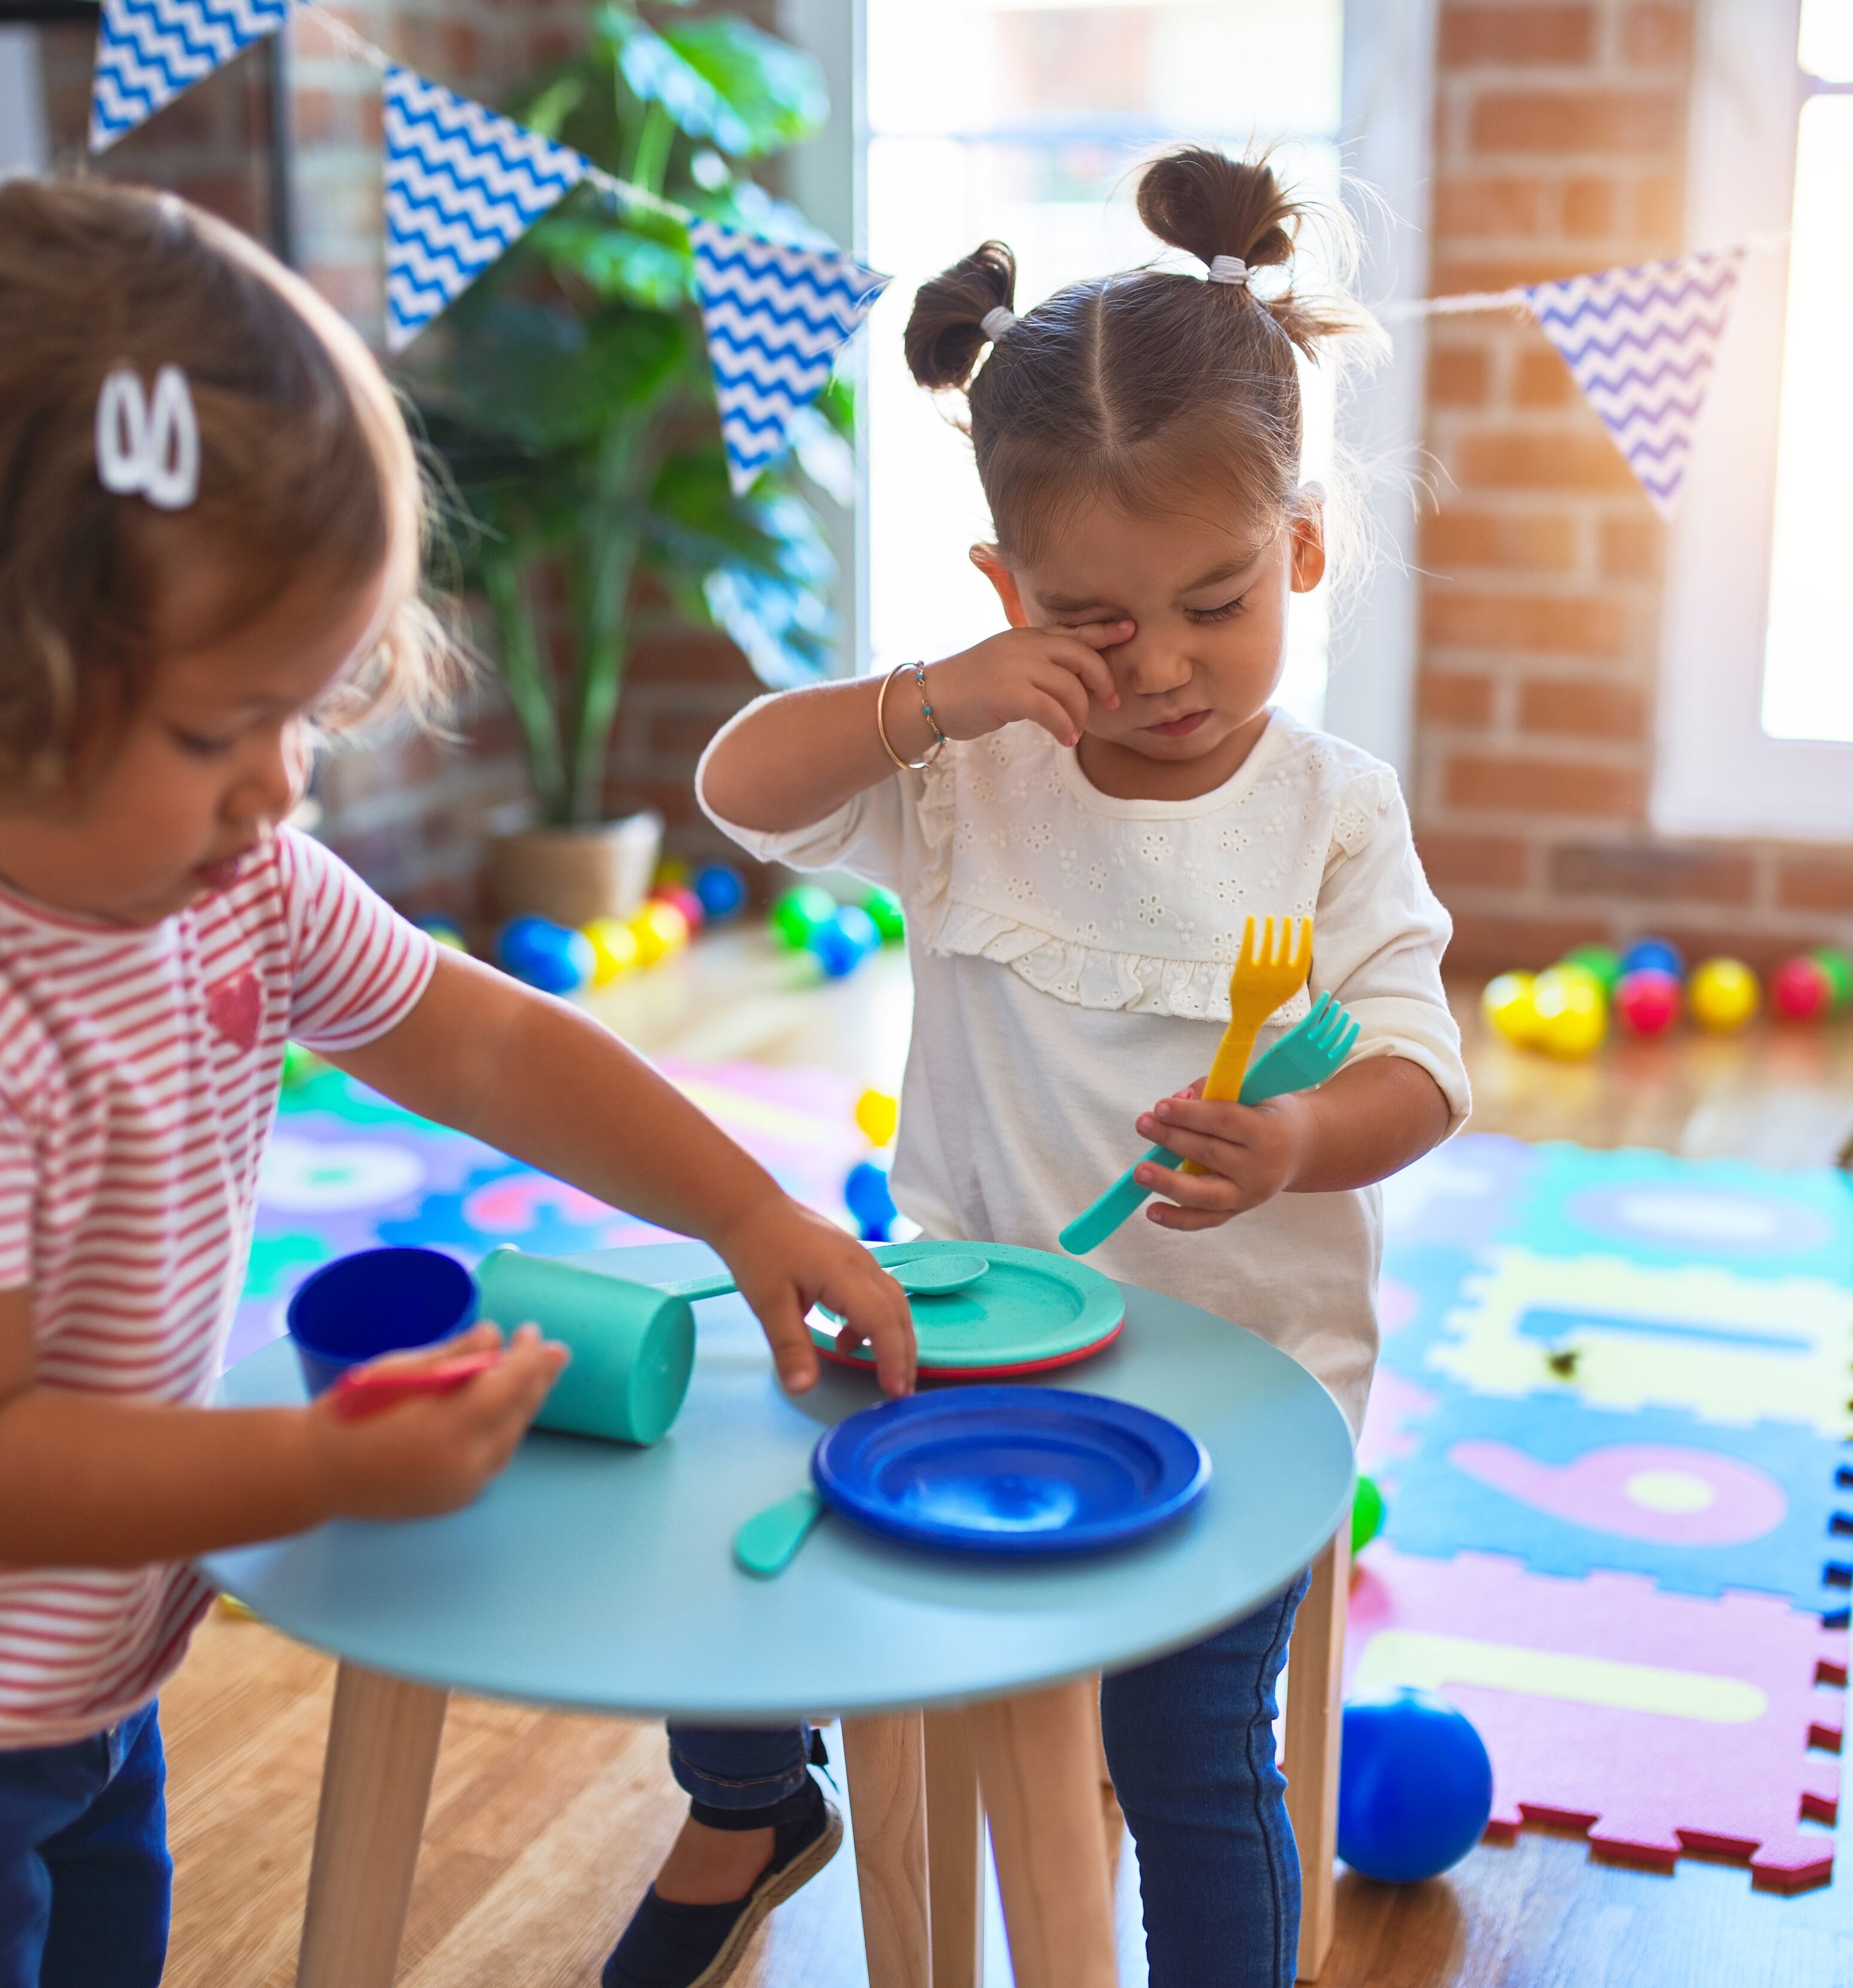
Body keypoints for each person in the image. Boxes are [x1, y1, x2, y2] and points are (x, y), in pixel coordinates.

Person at [0, 176, 912, 1988]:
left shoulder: (229, 877)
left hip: (72, 1654)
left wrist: (747, 1208)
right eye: (225, 729)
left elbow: (483, 1034)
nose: (283, 787)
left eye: (303, 712)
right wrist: (310, 1465)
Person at [604, 148, 1470, 1988]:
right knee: (729, 1529)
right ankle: (755, 1795)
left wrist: (1300, 1135)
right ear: (1009, 587)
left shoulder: (1329, 812)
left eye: (1218, 603)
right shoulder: (965, 772)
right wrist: (937, 693)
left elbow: (1420, 1071)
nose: (1157, 665)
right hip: (967, 1330)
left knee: (1186, 1758)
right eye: (1091, 618)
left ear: (1304, 550)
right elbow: (736, 790)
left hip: (1234, 1388)